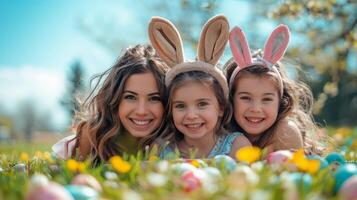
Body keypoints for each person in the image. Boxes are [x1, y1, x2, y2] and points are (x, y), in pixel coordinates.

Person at [147, 15, 251, 159]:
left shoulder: (236, 146)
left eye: (202, 104)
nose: (191, 115)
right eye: (180, 106)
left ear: (221, 107)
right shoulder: (160, 149)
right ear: (171, 110)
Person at [52, 44, 169, 164]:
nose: (141, 111)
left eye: (154, 98)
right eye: (130, 97)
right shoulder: (91, 137)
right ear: (115, 98)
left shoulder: (174, 143)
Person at [224, 25, 320, 154]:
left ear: (281, 101)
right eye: (245, 98)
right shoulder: (222, 134)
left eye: (267, 99)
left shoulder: (285, 132)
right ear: (230, 99)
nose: (256, 108)